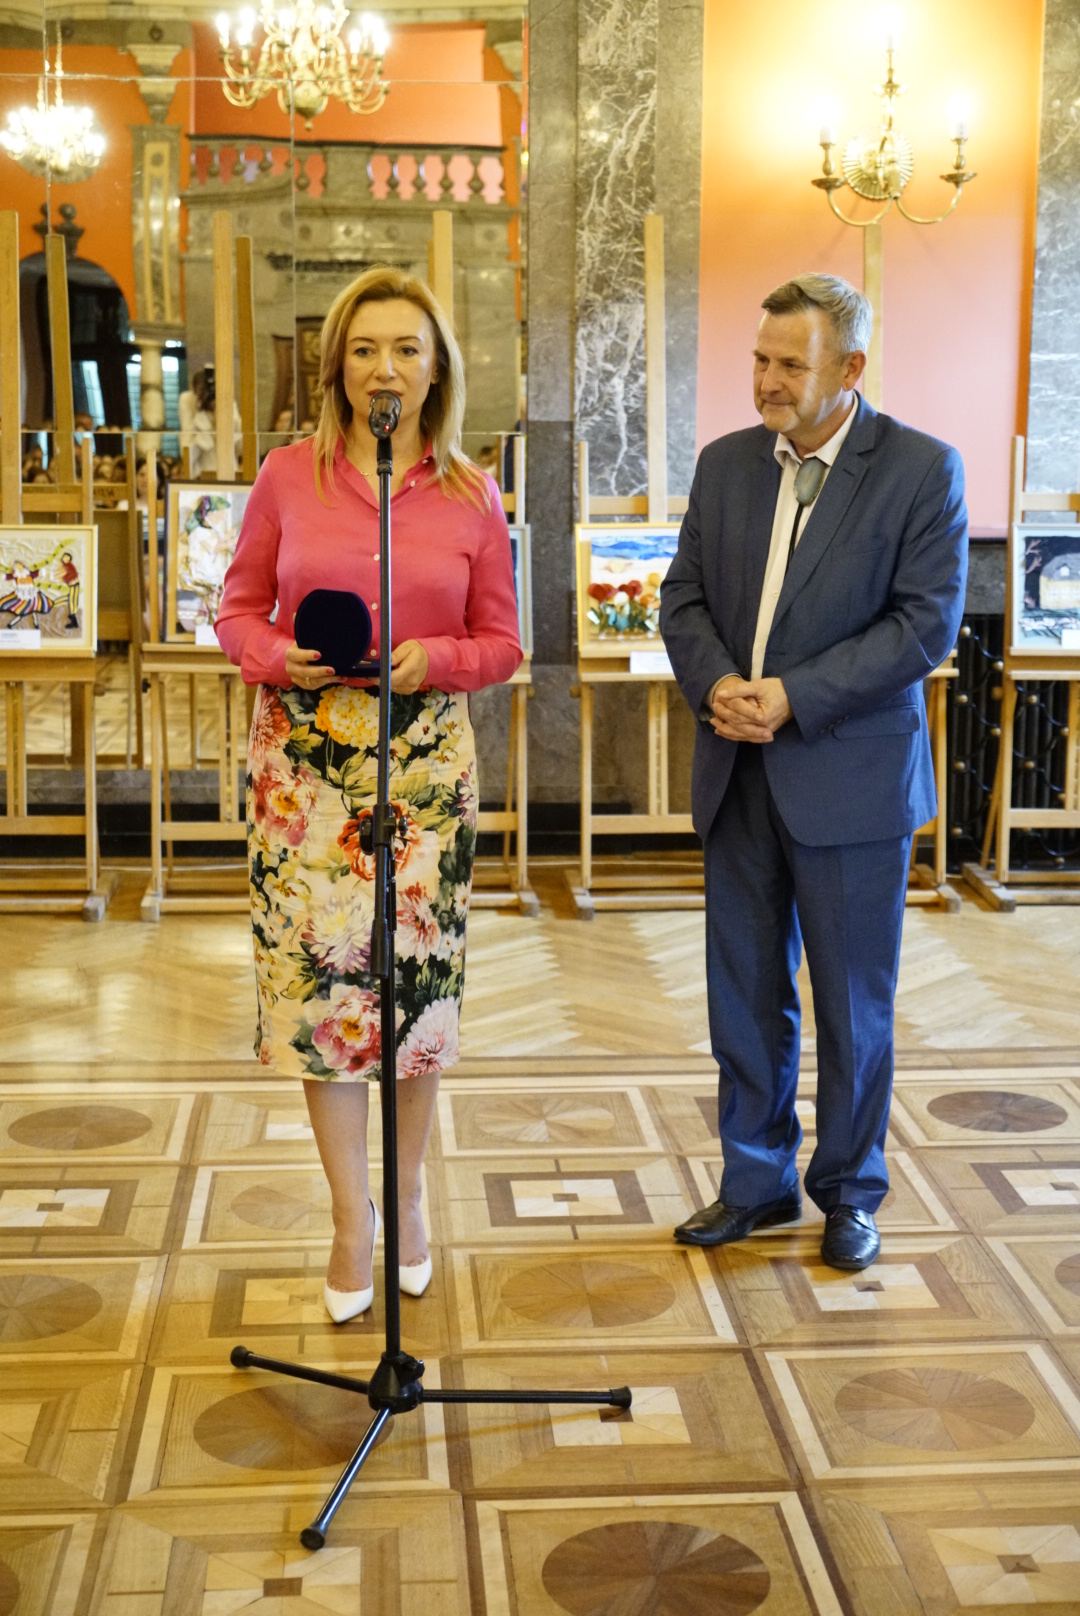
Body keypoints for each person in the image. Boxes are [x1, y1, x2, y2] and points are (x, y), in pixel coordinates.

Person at [216, 266, 522, 1323]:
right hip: (305, 770)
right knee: (326, 999)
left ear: (436, 370)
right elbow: (236, 611)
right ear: (336, 366)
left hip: (424, 770)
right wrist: (275, 655)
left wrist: (440, 657)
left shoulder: (472, 492)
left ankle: (411, 1196)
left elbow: (503, 642)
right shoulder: (285, 477)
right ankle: (353, 1218)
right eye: (364, 348)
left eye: (405, 348)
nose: (384, 367)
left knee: (412, 998)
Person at [659, 273, 967, 1272]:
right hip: (737, 770)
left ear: (850, 367)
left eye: (791, 364)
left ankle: (850, 1191)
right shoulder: (725, 465)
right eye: (760, 359)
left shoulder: (922, 469)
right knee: (744, 995)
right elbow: (682, 598)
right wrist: (718, 686)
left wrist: (793, 694)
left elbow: (923, 626)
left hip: (851, 780)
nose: (767, 381)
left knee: (851, 1005)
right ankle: (755, 1183)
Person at [179, 366, 242, 479]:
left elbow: (241, 446)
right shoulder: (189, 404)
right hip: (202, 474)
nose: (207, 397)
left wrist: (223, 413)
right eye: (202, 393)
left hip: (229, 470)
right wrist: (201, 417)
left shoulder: (227, 403)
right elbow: (187, 454)